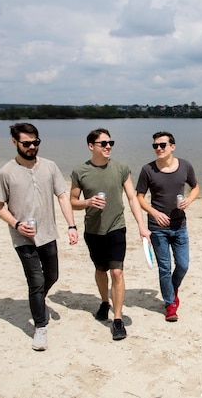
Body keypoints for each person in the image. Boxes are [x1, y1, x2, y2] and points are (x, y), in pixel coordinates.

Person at [0, 122, 79, 351]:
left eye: (35, 142)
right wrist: (17, 224)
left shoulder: (50, 167)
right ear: (15, 142)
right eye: (26, 143)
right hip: (22, 238)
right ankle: (40, 327)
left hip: (48, 233)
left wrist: (71, 225)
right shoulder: (5, 172)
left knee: (52, 275)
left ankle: (38, 300)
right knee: (36, 280)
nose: (32, 146)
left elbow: (62, 196)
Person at [70, 128, 150, 341]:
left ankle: (117, 319)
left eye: (110, 143)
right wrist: (87, 202)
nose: (108, 147)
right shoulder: (80, 171)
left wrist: (142, 226)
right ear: (91, 146)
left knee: (117, 272)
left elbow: (133, 198)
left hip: (117, 227)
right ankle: (104, 302)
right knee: (100, 269)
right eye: (103, 143)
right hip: (93, 229)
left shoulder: (121, 168)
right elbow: (72, 201)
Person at [136, 131, 199, 322]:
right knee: (164, 267)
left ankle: (172, 287)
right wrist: (154, 212)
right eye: (155, 146)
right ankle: (170, 304)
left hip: (180, 225)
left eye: (162, 145)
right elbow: (139, 197)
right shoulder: (148, 170)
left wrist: (188, 200)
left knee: (183, 265)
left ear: (173, 146)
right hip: (157, 227)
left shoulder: (185, 166)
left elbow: (195, 187)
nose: (159, 149)